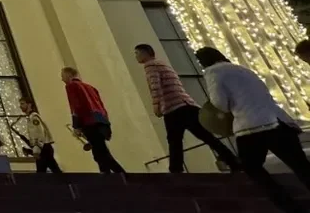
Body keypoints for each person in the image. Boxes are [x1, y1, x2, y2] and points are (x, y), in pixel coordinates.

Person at [196, 47, 309, 211]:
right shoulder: (243, 69)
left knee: (252, 168)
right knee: (301, 166)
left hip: (251, 127)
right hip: (279, 122)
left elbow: (220, 104)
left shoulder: (213, 73)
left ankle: (289, 206)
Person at [134, 43, 241, 173]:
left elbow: (155, 86)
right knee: (206, 137)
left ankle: (176, 170)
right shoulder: (162, 64)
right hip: (187, 105)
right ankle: (233, 161)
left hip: (173, 107)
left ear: (146, 53)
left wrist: (156, 106)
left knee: (174, 141)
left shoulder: (150, 66)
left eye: (137, 53)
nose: (136, 56)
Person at [61, 66, 125, 173]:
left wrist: (76, 126)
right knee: (99, 152)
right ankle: (107, 174)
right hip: (101, 120)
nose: (62, 79)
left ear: (69, 75)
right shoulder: (90, 87)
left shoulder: (71, 86)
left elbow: (76, 106)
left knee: (101, 153)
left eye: (62, 76)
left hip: (89, 121)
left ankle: (121, 175)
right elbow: (101, 105)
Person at [19, 98, 61, 173]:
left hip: (44, 148)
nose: (20, 106)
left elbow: (39, 132)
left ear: (29, 104)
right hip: (44, 148)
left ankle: (68, 183)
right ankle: (67, 183)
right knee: (50, 170)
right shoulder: (30, 118)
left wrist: (37, 148)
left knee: (47, 172)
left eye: (22, 103)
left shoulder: (34, 117)